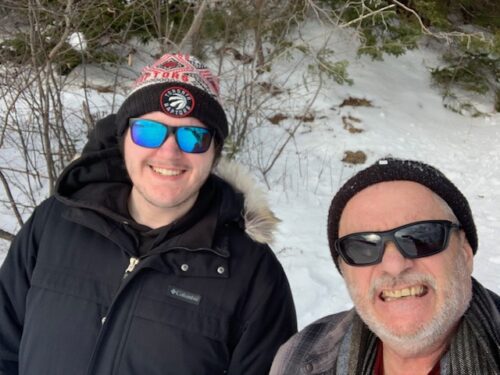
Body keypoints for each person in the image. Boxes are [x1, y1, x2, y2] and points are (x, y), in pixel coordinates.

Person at [0, 53, 297, 375]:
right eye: (149, 131)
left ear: (214, 154)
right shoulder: (54, 224)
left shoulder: (253, 274)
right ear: (124, 139)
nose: (169, 152)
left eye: (193, 136)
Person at [271, 158, 500, 375]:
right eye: (363, 247)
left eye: (420, 237)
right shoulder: (295, 357)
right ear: (344, 270)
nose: (394, 265)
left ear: (465, 253)